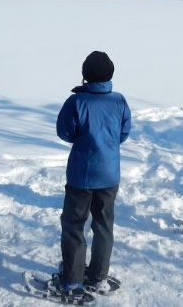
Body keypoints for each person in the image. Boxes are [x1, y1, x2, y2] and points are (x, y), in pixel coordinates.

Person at [56, 51, 132, 302]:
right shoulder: (119, 100)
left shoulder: (76, 102)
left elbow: (65, 132)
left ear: (85, 75)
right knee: (103, 225)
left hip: (81, 174)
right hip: (109, 173)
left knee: (74, 225)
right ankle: (98, 276)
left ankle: (72, 281)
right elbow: (123, 133)